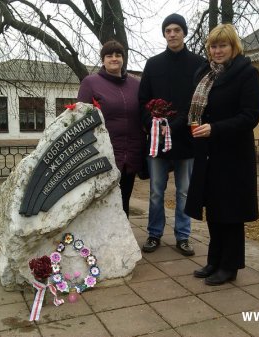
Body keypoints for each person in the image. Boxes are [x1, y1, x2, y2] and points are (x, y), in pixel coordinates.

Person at [185, 24, 259, 285]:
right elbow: (198, 110)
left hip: (233, 155)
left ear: (233, 47)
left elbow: (250, 115)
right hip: (208, 153)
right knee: (215, 209)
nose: (217, 51)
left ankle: (229, 266)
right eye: (214, 46)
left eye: (223, 46)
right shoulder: (205, 73)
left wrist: (216, 129)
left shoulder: (246, 73)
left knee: (231, 211)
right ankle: (214, 260)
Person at [139, 13, 205, 256]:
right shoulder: (153, 64)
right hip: (157, 141)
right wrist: (151, 122)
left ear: (184, 33)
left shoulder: (198, 63)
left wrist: (174, 125)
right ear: (164, 34)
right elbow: (143, 100)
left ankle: (183, 236)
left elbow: (198, 102)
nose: (173, 34)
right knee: (156, 190)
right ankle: (154, 233)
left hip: (185, 140)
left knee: (184, 191)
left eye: (177, 29)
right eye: (168, 30)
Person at [77, 40, 145, 217]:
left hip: (130, 153)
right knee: (102, 201)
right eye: (109, 55)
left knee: (124, 200)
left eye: (118, 55)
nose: (114, 59)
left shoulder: (135, 85)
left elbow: (143, 115)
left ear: (123, 58)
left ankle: (124, 240)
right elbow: (81, 118)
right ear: (103, 60)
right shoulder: (90, 83)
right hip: (103, 153)